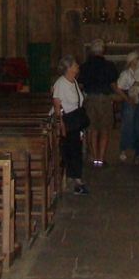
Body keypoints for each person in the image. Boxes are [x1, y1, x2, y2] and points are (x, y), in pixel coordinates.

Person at [77, 37, 120, 167]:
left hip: (90, 99)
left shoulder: (85, 66)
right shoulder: (108, 65)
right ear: (103, 50)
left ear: (91, 50)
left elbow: (81, 85)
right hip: (103, 99)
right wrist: (124, 96)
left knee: (92, 129)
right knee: (104, 129)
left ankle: (94, 159)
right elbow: (113, 84)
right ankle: (101, 159)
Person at [52, 55, 88, 195]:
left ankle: (76, 180)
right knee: (70, 151)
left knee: (76, 150)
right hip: (67, 120)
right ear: (68, 68)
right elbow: (57, 104)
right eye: (75, 64)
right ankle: (74, 181)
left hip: (75, 119)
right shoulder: (61, 83)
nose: (78, 66)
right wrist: (61, 124)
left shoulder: (73, 81)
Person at [117, 49, 139, 161]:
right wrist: (127, 98)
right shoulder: (126, 74)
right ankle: (123, 149)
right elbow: (119, 88)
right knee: (127, 125)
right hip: (129, 98)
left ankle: (138, 150)